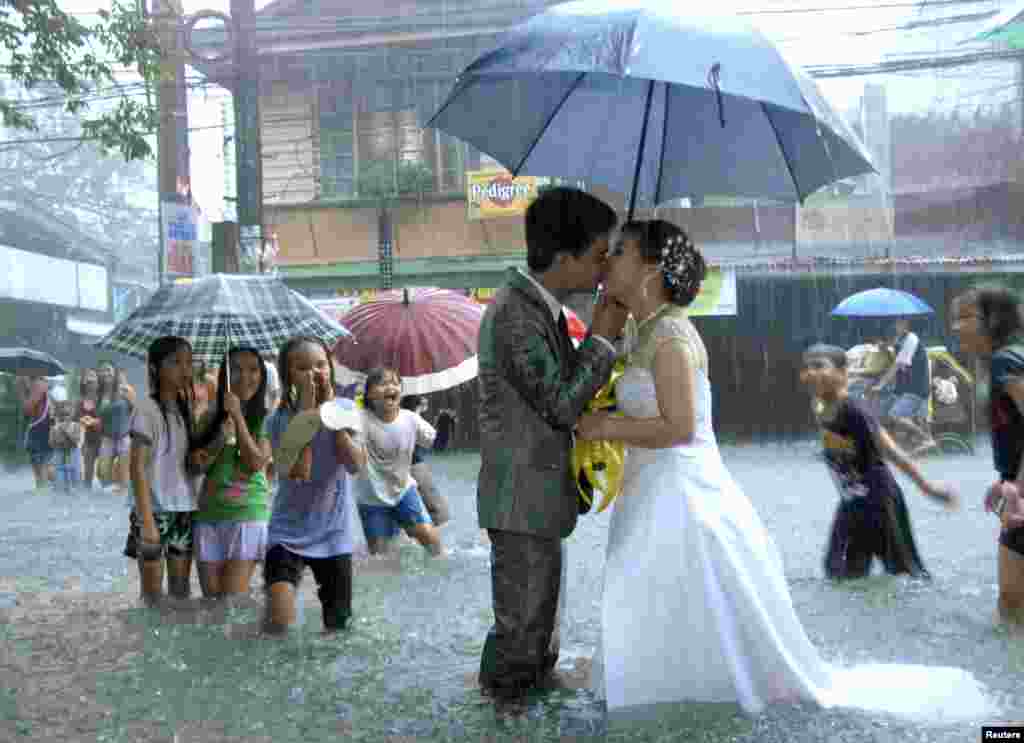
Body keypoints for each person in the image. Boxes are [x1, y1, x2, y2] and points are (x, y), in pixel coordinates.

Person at [578, 219, 990, 721]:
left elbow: (681, 427)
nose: (608, 260)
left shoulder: (669, 336)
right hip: (650, 490)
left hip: (680, 493)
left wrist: (603, 427)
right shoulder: (640, 331)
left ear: (649, 268)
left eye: (619, 252)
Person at [476, 186, 625, 701]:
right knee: (523, 645)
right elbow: (561, 404)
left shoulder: (543, 309)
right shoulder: (517, 314)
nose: (605, 270)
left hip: (535, 500)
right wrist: (603, 338)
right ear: (564, 257)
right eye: (599, 256)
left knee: (537, 641)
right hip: (520, 501)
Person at [801, 343, 957, 580]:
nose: (811, 373)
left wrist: (928, 488)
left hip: (879, 502)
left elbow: (890, 451)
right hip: (851, 502)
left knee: (906, 573)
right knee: (838, 571)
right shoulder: (823, 408)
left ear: (842, 373)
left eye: (819, 366)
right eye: (807, 367)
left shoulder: (853, 411)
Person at [263, 336, 367, 635]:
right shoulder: (279, 419)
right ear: (288, 376)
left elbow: (355, 465)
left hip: (333, 534)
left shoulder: (346, 409)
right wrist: (308, 413)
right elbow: (298, 471)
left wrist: (333, 419)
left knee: (338, 628)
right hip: (287, 532)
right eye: (303, 367)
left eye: (320, 365)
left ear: (330, 369)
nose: (314, 373)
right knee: (278, 622)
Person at [952, 286, 1024, 624]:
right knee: (1011, 603)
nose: (956, 327)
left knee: (1012, 605)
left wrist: (1017, 489)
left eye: (965, 317)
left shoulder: (1004, 361)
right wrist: (1006, 481)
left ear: (993, 320)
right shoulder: (1003, 362)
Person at [190, 347, 272, 600]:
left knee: (231, 602)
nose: (244, 376)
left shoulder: (266, 418)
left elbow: (256, 463)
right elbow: (196, 467)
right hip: (209, 515)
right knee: (211, 602)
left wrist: (238, 416)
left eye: (253, 369)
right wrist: (219, 438)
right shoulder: (208, 417)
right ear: (225, 374)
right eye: (235, 369)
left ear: (262, 376)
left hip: (246, 515)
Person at [126, 337, 197, 605]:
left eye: (189, 363)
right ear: (155, 368)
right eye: (175, 362)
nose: (184, 369)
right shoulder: (146, 409)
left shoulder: (185, 409)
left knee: (181, 594)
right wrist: (146, 521)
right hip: (153, 510)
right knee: (152, 598)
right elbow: (137, 468)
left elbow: (188, 464)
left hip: (184, 508)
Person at [354, 374, 443, 557]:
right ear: (369, 395)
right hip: (371, 498)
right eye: (382, 384)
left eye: (395, 383)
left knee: (429, 538)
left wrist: (445, 427)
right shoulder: (360, 419)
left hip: (403, 491)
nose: (390, 387)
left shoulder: (410, 418)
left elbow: (437, 445)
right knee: (379, 556)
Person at [872, 319, 935, 454]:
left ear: (906, 325)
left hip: (915, 388)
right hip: (904, 388)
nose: (896, 326)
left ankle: (925, 438)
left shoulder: (911, 339)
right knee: (884, 411)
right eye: (895, 324)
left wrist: (881, 385)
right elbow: (896, 358)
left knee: (895, 415)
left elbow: (897, 365)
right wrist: (885, 348)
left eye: (899, 324)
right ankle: (898, 445)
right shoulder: (899, 340)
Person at [400, 394, 450, 528]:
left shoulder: (391, 415)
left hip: (386, 469)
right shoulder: (412, 417)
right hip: (412, 465)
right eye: (423, 396)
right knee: (439, 512)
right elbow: (439, 445)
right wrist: (444, 424)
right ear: (419, 403)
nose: (426, 398)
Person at [97, 364, 135, 493]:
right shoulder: (100, 393)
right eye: (102, 370)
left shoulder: (125, 390)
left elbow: (135, 410)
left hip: (123, 436)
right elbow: (98, 415)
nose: (106, 373)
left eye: (108, 370)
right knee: (102, 470)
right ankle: (111, 489)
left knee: (124, 473)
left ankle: (123, 496)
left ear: (115, 373)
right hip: (107, 437)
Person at [17, 371, 53, 492]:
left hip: (40, 430)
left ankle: (45, 496)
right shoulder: (34, 383)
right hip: (37, 429)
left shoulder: (39, 383)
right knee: (38, 468)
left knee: (41, 467)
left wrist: (21, 390)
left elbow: (27, 408)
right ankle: (44, 494)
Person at [48, 386, 84, 494]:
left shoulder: (76, 426)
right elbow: (52, 443)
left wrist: (65, 432)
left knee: (75, 481)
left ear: (72, 414)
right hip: (59, 456)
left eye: (67, 414)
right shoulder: (54, 428)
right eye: (62, 415)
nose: (65, 417)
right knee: (59, 483)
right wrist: (57, 437)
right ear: (59, 415)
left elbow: (76, 441)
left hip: (73, 456)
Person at [78, 369, 102, 489]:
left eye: (93, 376)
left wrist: (94, 421)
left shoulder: (103, 398)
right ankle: (86, 498)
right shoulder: (80, 401)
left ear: (98, 382)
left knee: (103, 474)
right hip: (88, 440)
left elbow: (109, 419)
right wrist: (81, 421)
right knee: (88, 474)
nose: (90, 380)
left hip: (104, 439)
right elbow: (75, 419)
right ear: (83, 382)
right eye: (87, 378)